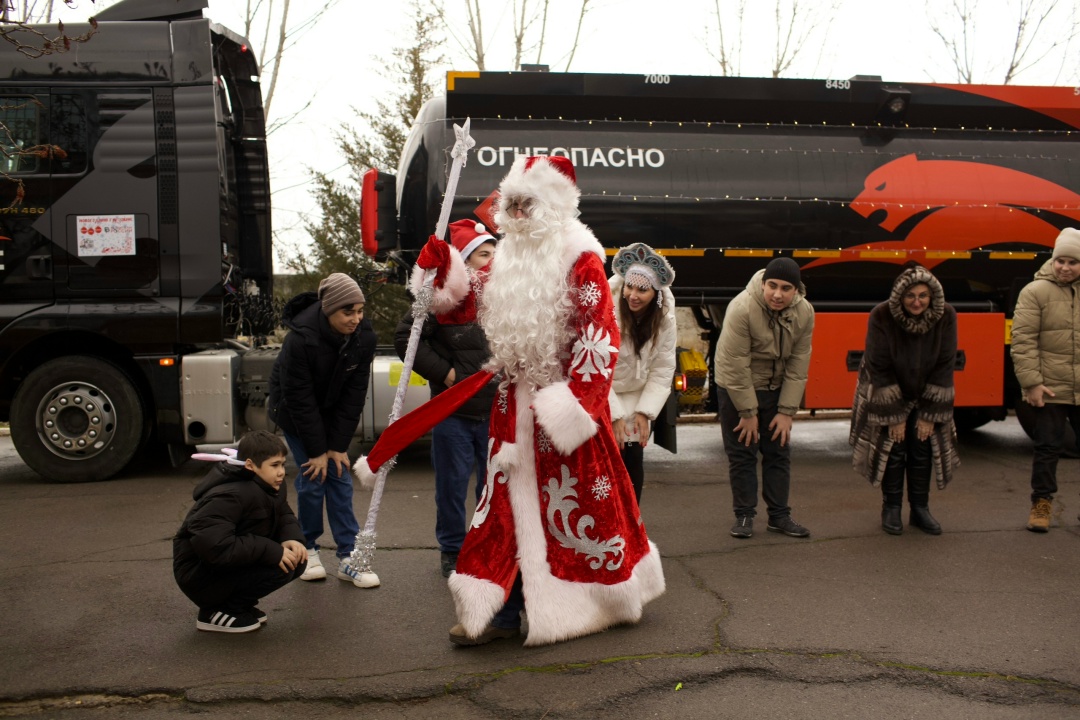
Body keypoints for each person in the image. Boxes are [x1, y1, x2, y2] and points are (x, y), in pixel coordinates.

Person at [355, 155, 665, 647]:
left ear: (555, 206)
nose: (517, 215)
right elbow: (465, 296)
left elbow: (598, 338)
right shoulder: (508, 260)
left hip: (562, 414)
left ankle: (600, 601)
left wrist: (575, 406)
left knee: (575, 513)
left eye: (528, 205)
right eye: (512, 205)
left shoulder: (581, 259)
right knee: (499, 511)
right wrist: (439, 273)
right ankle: (495, 611)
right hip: (509, 411)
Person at [395, 219, 498, 578]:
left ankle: (488, 545)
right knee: (451, 488)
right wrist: (447, 374)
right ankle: (452, 550)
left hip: (496, 413)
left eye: (495, 254)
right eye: (484, 254)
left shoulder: (505, 297)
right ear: (466, 260)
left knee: (493, 488)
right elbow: (406, 338)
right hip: (452, 411)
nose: (492, 261)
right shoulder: (443, 296)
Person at [268, 272, 377, 586]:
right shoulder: (300, 339)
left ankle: (348, 558)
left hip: (333, 414)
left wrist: (337, 446)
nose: (356, 319)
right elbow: (299, 399)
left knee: (340, 476)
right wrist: (317, 451)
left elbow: (355, 394)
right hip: (295, 413)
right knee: (314, 479)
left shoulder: (363, 338)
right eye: (348, 312)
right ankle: (308, 548)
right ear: (329, 310)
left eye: (360, 311)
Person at [849, 262, 959, 535]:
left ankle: (920, 510)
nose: (917, 302)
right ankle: (892, 508)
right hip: (889, 388)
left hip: (927, 391)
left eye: (923, 295)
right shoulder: (881, 315)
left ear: (932, 295)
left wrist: (929, 414)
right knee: (894, 449)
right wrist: (895, 415)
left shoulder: (946, 315)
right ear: (899, 296)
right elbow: (879, 367)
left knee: (922, 449)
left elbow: (946, 364)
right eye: (910, 296)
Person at [714, 257, 815, 540]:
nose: (777, 294)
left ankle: (779, 516)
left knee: (778, 453)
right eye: (772, 286)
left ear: (796, 290)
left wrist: (787, 412)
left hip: (776, 388)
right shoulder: (742, 308)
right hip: (737, 386)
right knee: (743, 453)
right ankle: (744, 515)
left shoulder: (805, 312)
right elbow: (735, 364)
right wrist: (748, 413)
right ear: (763, 283)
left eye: (786, 288)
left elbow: (799, 361)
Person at [173, 430, 308, 633]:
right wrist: (270, 550)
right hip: (198, 575)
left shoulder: (270, 485)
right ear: (250, 465)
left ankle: (237, 605)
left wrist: (292, 538)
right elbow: (216, 547)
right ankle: (213, 612)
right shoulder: (230, 495)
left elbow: (283, 515)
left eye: (282, 464)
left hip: (224, 564)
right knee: (280, 563)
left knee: (295, 561)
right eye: (274, 465)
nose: (281, 471)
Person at [1011, 227, 1080, 532]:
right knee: (1047, 448)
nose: (1065, 267)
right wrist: (1032, 384)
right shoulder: (1034, 292)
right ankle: (1041, 505)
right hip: (1051, 387)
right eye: (1060, 260)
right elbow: (1023, 341)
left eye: (1073, 262)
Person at [608, 242, 677, 502]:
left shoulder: (665, 320)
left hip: (638, 397)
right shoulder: (605, 312)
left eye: (642, 289)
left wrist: (645, 412)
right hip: (605, 395)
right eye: (629, 286)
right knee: (606, 466)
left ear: (656, 293)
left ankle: (632, 529)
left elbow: (662, 368)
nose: (633, 295)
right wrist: (614, 415)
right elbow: (597, 368)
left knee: (634, 460)